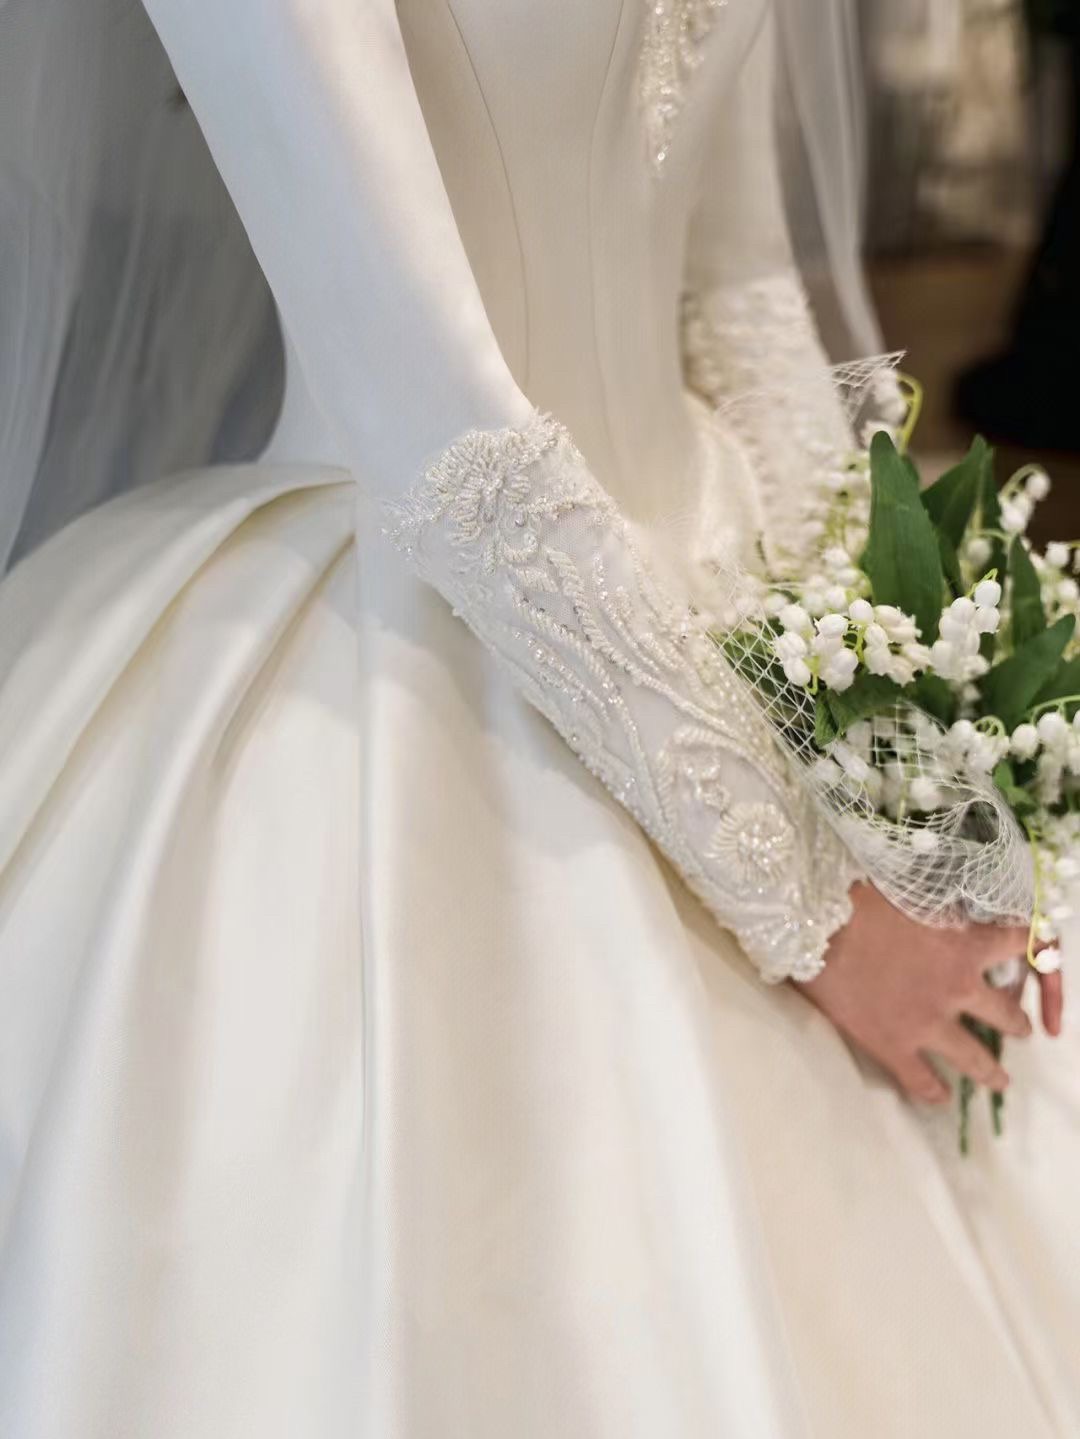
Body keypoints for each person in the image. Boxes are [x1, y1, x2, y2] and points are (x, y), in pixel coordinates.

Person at [0, 1, 1078, 1434]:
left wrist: (906, 724)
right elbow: (434, 424)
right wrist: (818, 907)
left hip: (733, 574)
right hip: (402, 637)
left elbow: (745, 295)